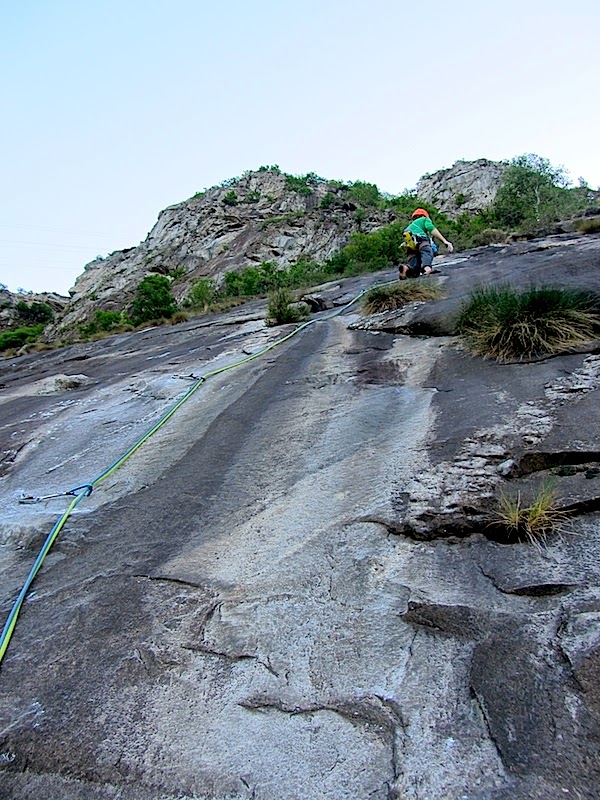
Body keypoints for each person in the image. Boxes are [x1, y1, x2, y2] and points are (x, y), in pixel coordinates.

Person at [399, 208, 454, 279]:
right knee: (427, 252)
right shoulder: (424, 219)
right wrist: (445, 241)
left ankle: (406, 268)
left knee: (415, 268)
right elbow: (431, 228)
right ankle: (427, 268)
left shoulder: (410, 226)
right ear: (424, 215)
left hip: (409, 244)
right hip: (420, 239)